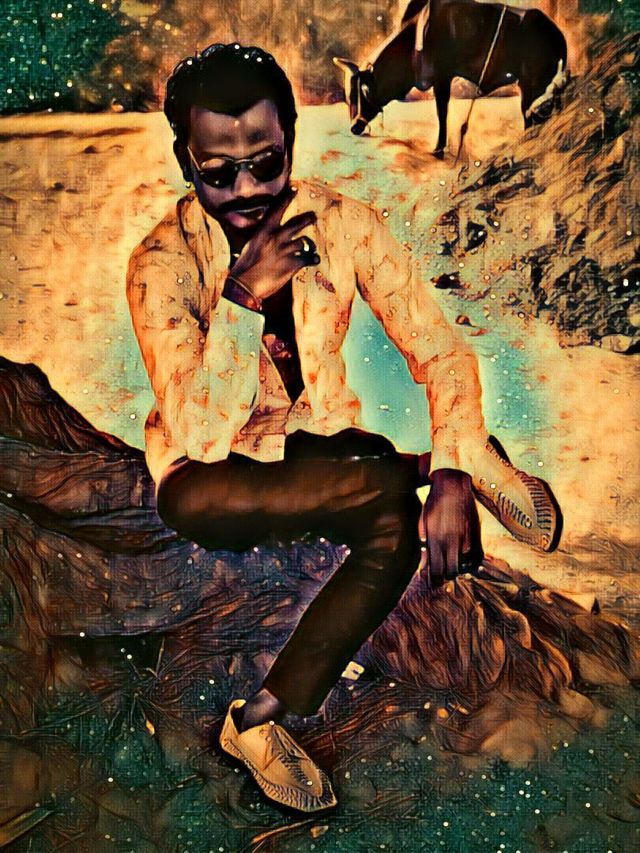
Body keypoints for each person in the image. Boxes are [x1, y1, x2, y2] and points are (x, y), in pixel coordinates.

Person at [126, 43, 561, 812]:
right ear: (184, 159)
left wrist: (450, 483)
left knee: (394, 527)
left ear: (290, 138)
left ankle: (256, 720)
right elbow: (200, 432)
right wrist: (242, 294)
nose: (248, 191)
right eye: (218, 174)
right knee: (218, 497)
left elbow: (441, 348)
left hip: (319, 447)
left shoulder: (345, 222)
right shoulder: (160, 263)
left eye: (266, 163)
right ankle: (440, 459)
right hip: (209, 474)